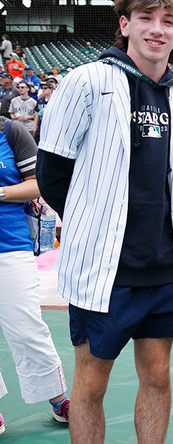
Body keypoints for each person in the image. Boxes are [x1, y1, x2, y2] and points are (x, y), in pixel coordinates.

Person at [36, 0, 173, 444]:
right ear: (125, 25)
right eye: (146, 18)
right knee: (91, 382)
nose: (157, 29)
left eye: (168, 21)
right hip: (103, 270)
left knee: (157, 375)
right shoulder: (86, 82)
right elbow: (53, 175)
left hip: (164, 267)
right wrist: (96, 221)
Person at [0, 116, 71, 435]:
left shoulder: (10, 131)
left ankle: (58, 399)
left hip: (10, 245)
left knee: (27, 325)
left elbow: (37, 184)